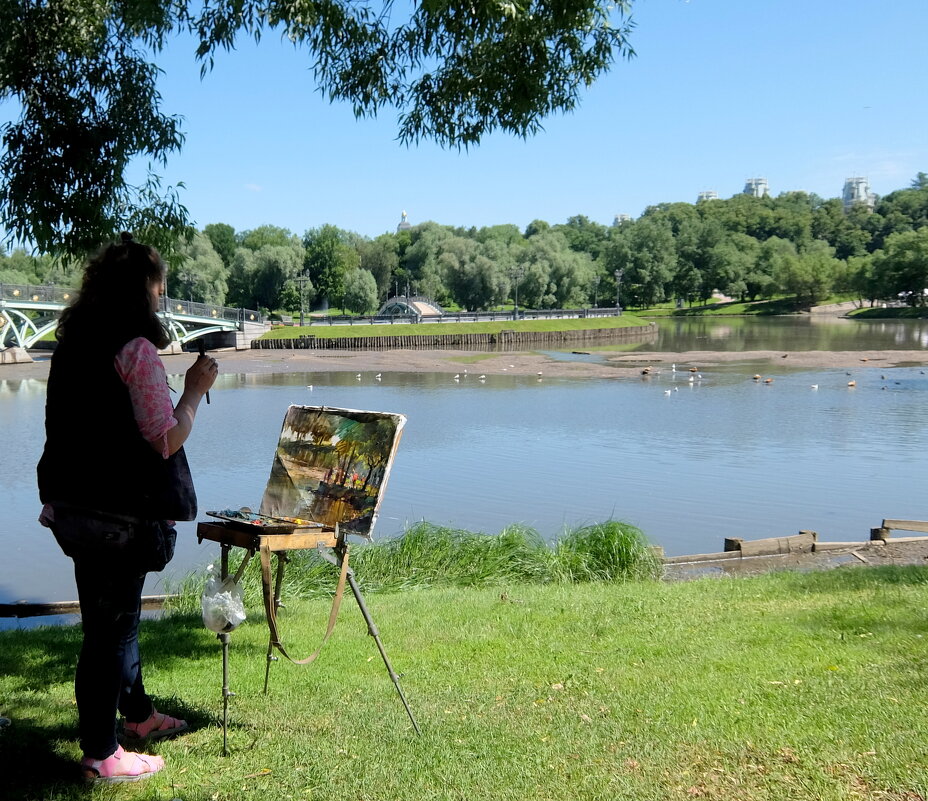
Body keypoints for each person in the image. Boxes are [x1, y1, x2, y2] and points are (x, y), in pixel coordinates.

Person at [37, 233, 218, 784]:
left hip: (73, 508)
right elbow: (164, 438)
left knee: (116, 619)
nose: (163, 294)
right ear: (143, 288)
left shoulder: (72, 345)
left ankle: (136, 717)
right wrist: (192, 390)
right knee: (108, 632)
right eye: (159, 283)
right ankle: (102, 752)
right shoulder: (134, 349)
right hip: (118, 515)